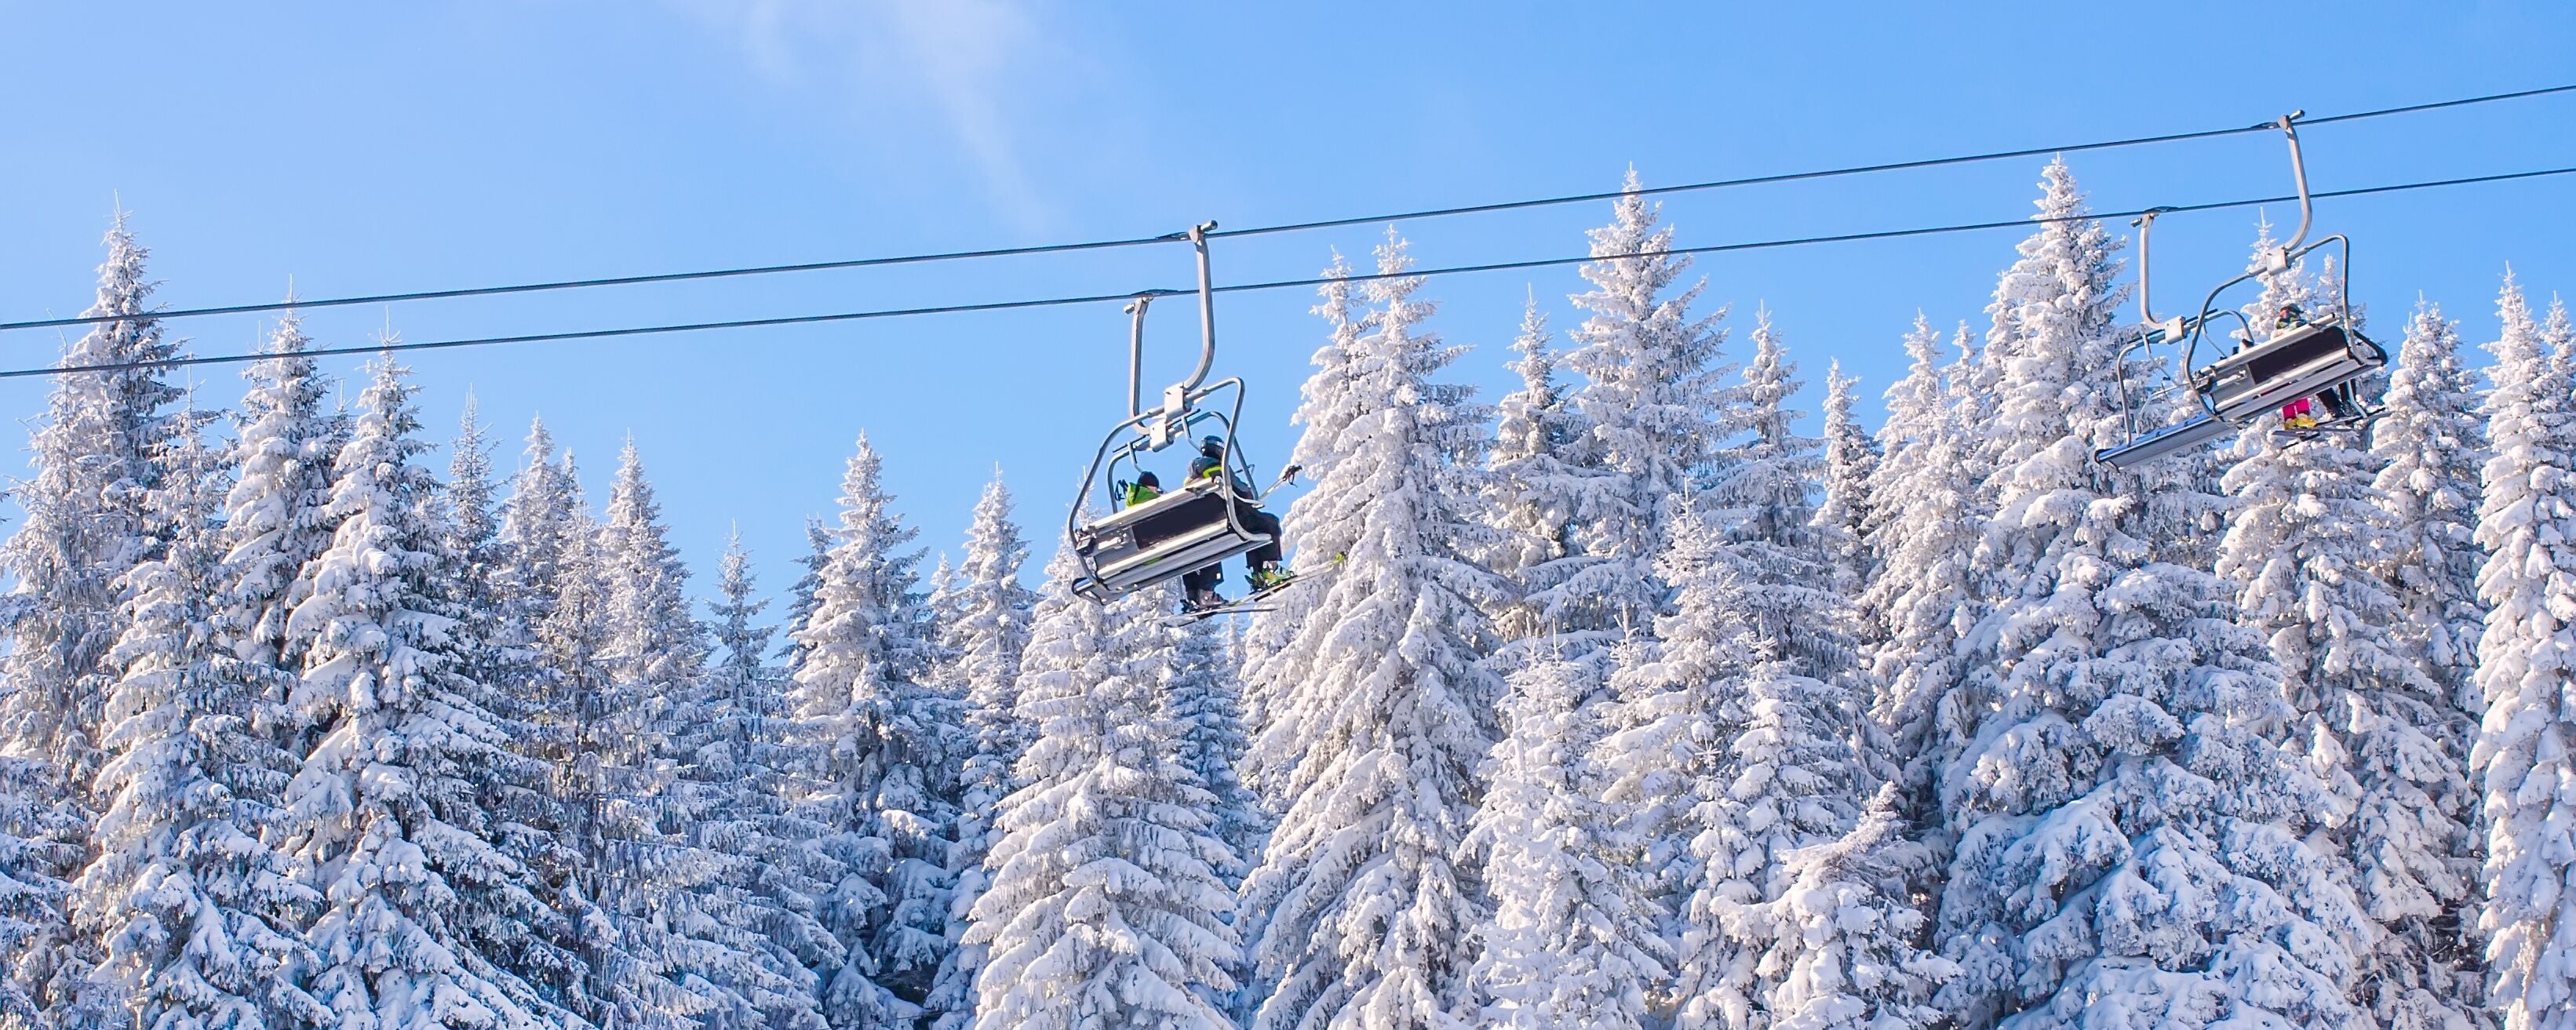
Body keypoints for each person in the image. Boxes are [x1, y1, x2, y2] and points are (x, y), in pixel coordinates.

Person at [1182, 435, 1288, 610]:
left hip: (1203, 529)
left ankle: (1196, 595)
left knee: (1211, 550)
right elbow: (1244, 493)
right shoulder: (1218, 467)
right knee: (1269, 524)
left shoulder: (1190, 480)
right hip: (1229, 522)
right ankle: (1267, 571)